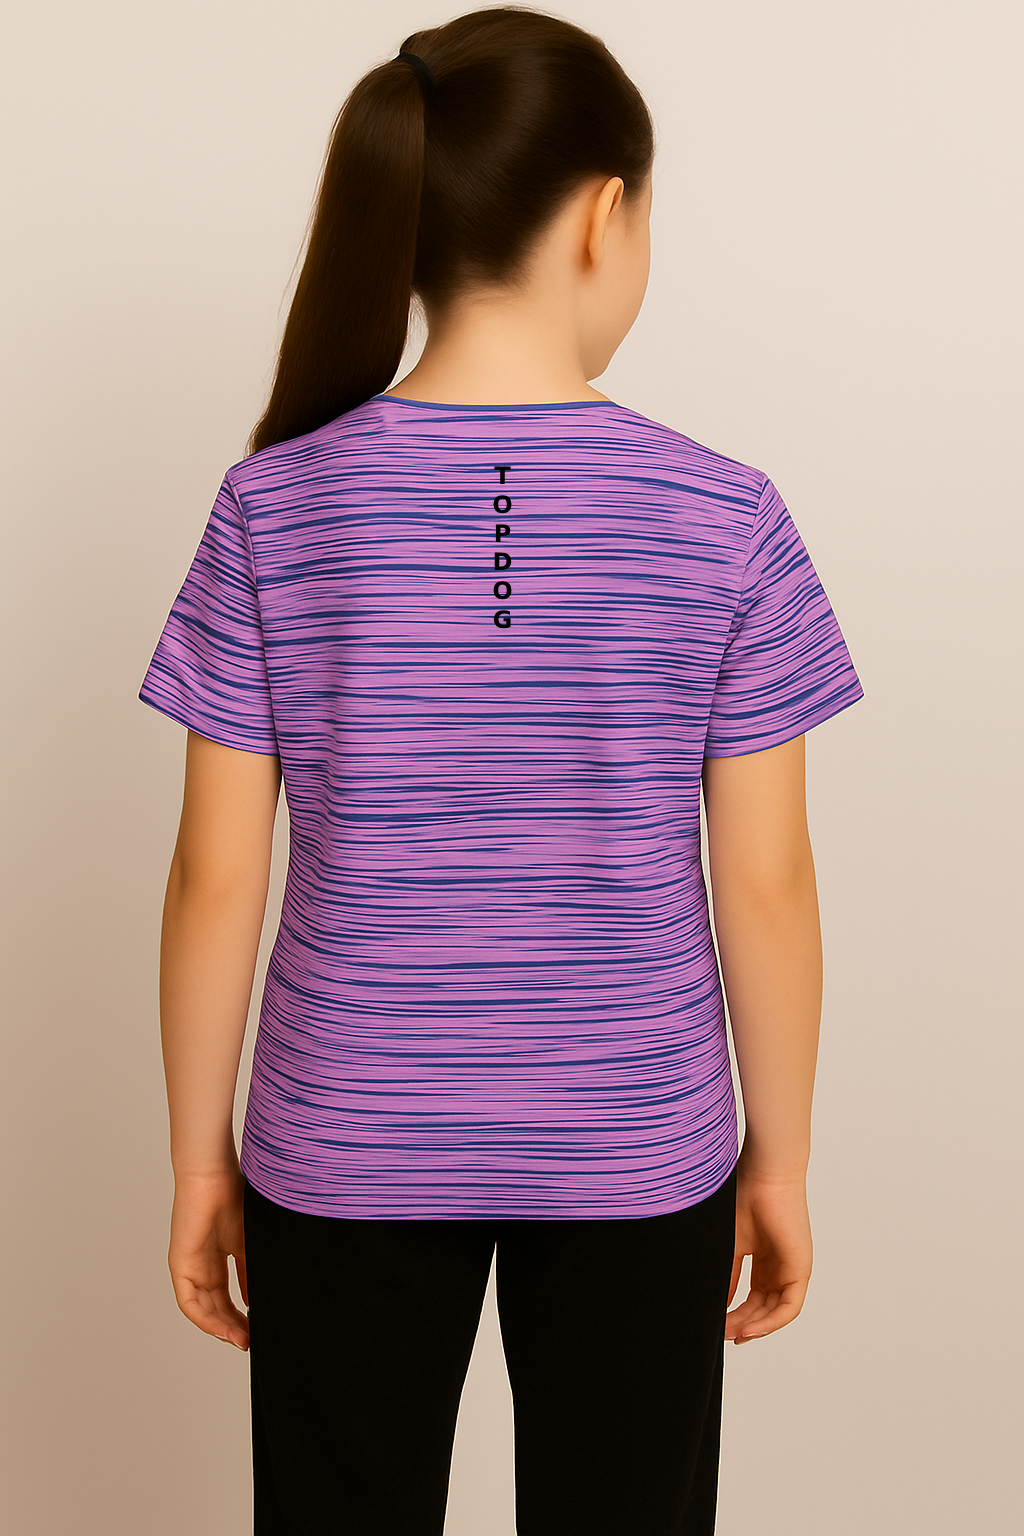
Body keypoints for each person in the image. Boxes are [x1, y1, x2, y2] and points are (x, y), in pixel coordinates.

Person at [138, 7, 865, 1533]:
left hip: (342, 1136)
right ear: (607, 214)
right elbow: (769, 880)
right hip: (637, 1140)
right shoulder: (725, 515)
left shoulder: (273, 508)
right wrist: (783, 1160)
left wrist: (201, 1164)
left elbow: (214, 874)